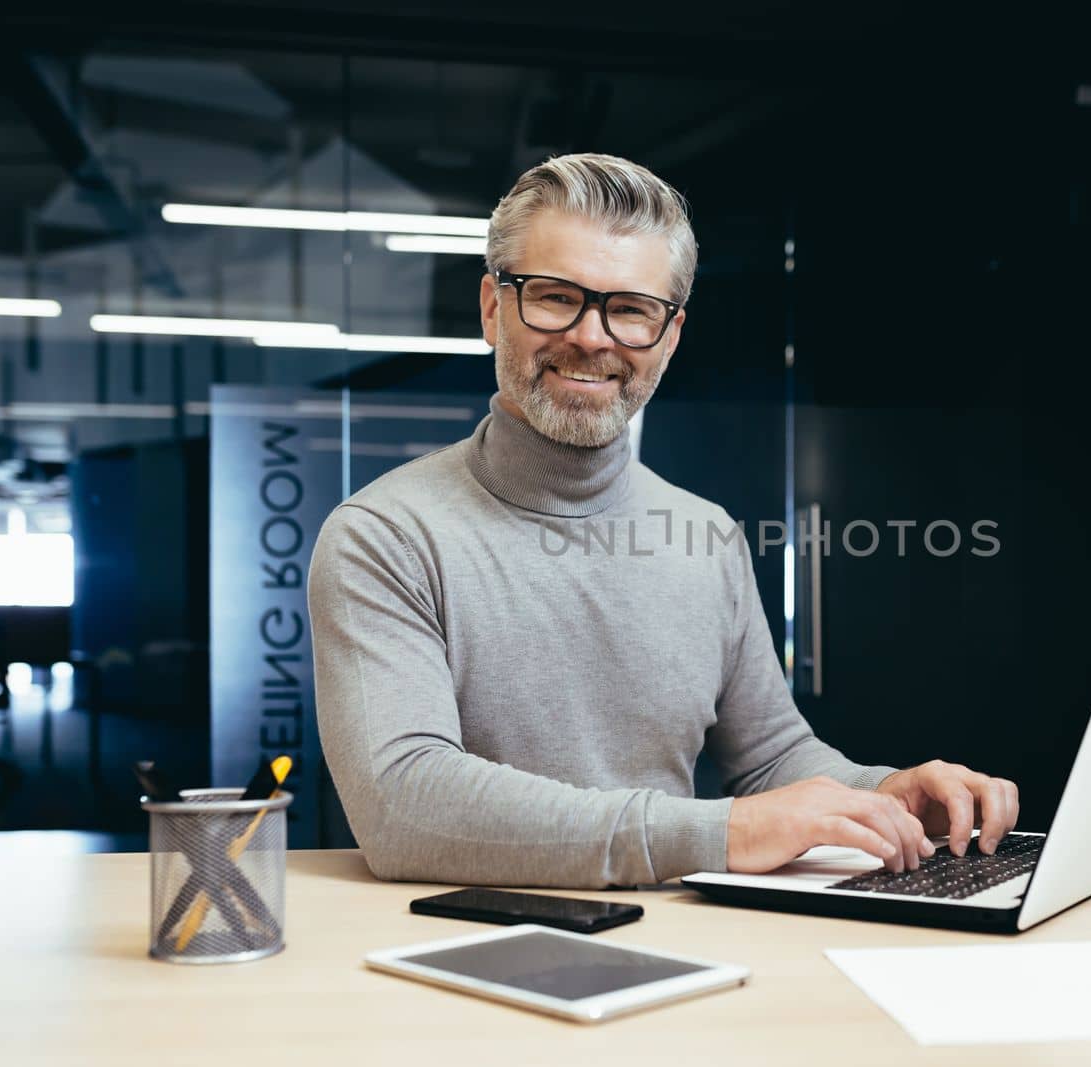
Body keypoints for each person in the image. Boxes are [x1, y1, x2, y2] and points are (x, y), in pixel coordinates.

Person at [309, 152, 1018, 888]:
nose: (591, 336)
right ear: (493, 308)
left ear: (670, 335)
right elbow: (403, 806)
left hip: (681, 949)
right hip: (465, 954)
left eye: (630, 309)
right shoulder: (382, 536)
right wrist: (719, 829)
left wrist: (878, 793)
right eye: (554, 297)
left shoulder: (707, 536)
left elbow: (772, 757)